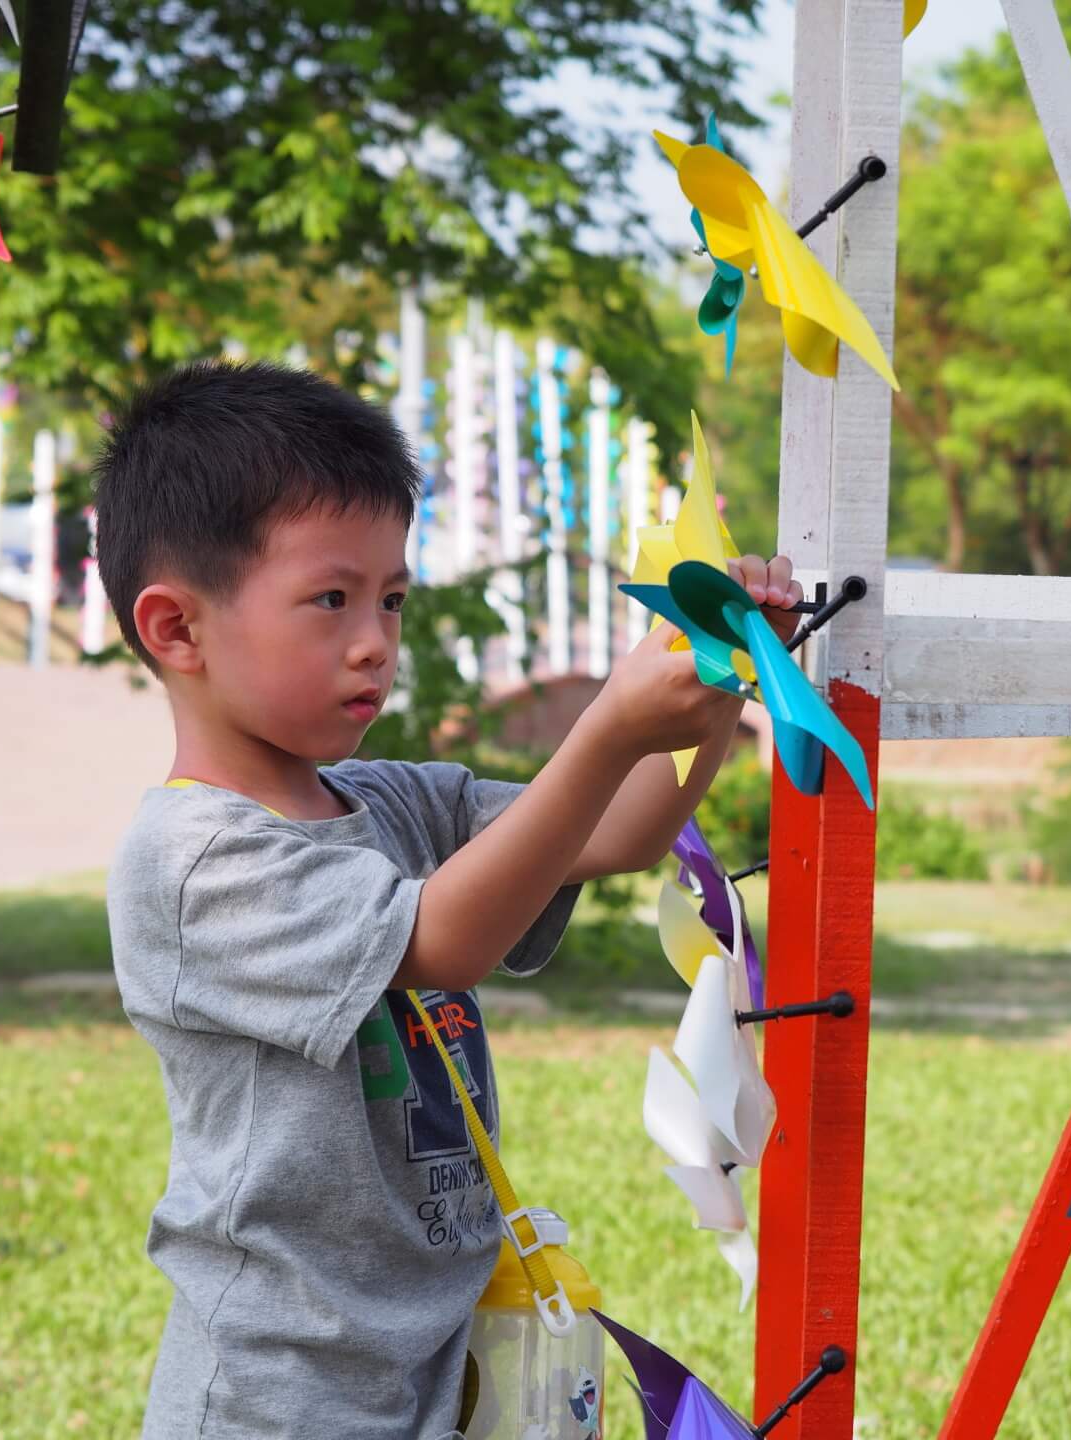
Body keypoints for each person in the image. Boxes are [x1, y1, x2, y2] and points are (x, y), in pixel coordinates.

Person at [94, 361, 801, 1439]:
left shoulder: (391, 800)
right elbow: (445, 939)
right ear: (177, 631)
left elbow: (624, 829)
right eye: (331, 599)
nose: (375, 638)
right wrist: (608, 722)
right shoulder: (196, 859)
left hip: (433, 1362)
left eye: (392, 598)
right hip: (280, 1393)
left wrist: (719, 679)